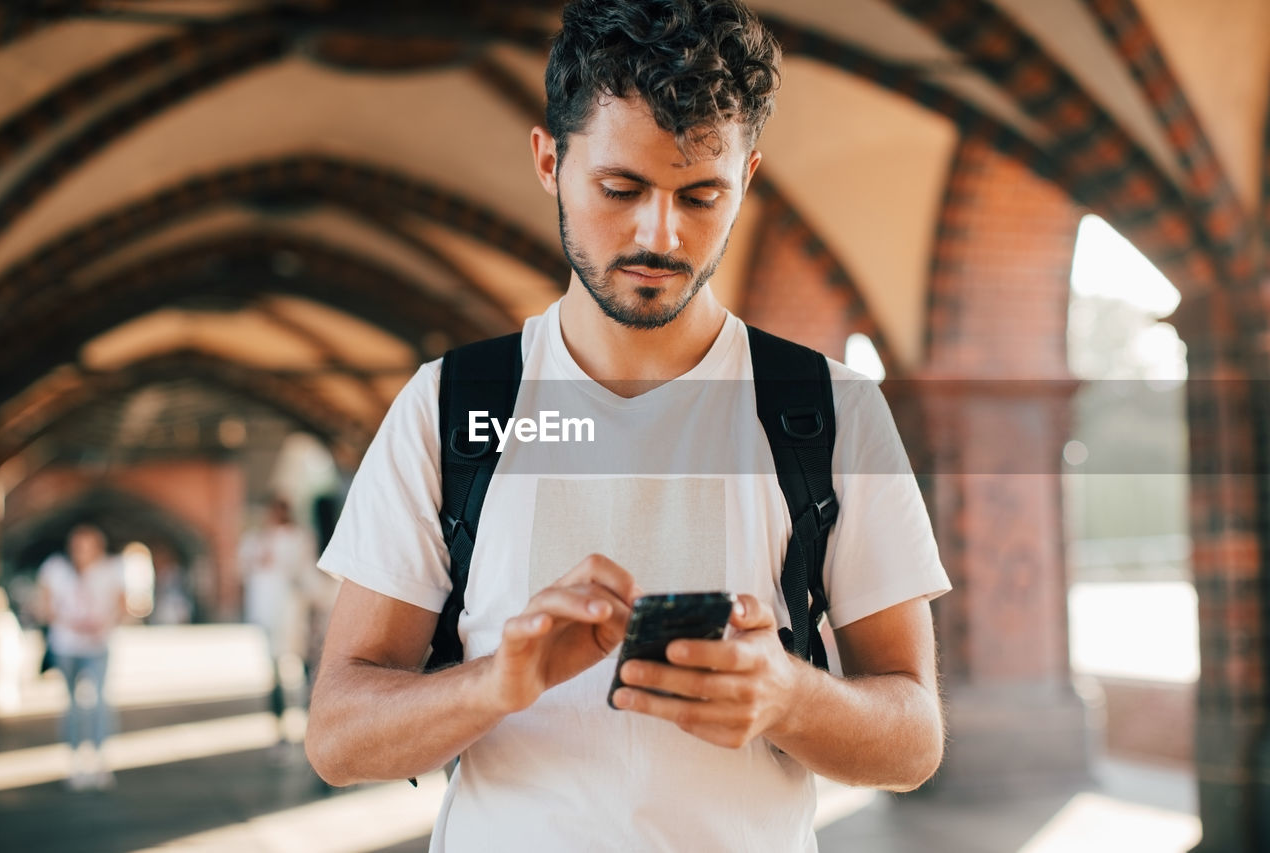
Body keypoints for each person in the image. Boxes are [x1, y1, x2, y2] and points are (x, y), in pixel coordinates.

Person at [306, 1, 951, 849]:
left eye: (701, 195)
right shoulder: (449, 406)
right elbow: (338, 736)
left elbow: (914, 739)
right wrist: (498, 680)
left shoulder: (832, 411)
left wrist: (790, 695)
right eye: (621, 188)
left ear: (748, 178)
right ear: (549, 161)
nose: (661, 232)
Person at [36, 524, 126, 791]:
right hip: (66, 645)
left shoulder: (110, 569)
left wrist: (104, 624)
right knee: (72, 705)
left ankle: (99, 759)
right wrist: (70, 622)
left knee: (99, 702)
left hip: (97, 645)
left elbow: (123, 604)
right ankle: (74, 760)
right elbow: (44, 604)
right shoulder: (55, 568)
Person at [238, 496, 319, 747]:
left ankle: (312, 724)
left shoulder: (298, 538)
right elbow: (242, 571)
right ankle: (281, 732)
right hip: (266, 612)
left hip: (291, 612)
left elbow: (304, 572)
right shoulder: (254, 541)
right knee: (273, 672)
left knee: (303, 665)